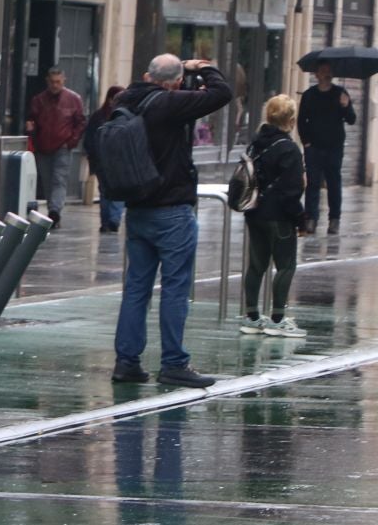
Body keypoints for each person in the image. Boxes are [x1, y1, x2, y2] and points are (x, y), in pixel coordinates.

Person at [109, 54, 233, 388]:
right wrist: (204, 67)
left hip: (137, 208)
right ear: (177, 82)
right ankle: (174, 362)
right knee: (175, 287)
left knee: (136, 287)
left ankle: (127, 361)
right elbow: (222, 93)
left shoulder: (125, 100)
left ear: (145, 75)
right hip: (171, 209)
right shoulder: (170, 103)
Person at [238, 93, 308, 339]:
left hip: (254, 212)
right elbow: (291, 191)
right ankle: (278, 318)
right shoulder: (288, 148)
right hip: (279, 216)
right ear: (291, 120)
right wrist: (301, 219)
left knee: (256, 265)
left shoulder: (255, 143)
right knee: (286, 265)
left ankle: (252, 316)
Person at [297, 63, 356, 234]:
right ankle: (311, 218)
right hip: (314, 147)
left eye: (330, 70)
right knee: (313, 184)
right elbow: (302, 122)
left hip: (334, 147)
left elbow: (352, 119)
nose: (327, 73)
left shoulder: (340, 94)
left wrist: (345, 106)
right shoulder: (309, 95)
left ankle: (334, 219)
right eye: (324, 71)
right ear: (317, 74)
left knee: (334, 183)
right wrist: (306, 143)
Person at [26, 67, 86, 229]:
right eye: (52, 82)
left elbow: (80, 122)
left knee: (59, 179)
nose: (55, 85)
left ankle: (54, 211)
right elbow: (32, 120)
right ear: (48, 81)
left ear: (63, 81)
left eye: (58, 82)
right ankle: (54, 210)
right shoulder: (39, 100)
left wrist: (71, 141)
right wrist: (33, 136)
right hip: (43, 146)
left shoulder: (73, 99)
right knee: (47, 180)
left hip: (62, 145)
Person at [82, 85, 125, 233]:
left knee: (113, 191)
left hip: (117, 161)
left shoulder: (124, 117)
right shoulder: (100, 117)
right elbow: (89, 140)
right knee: (107, 192)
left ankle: (112, 220)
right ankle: (109, 220)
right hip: (104, 162)